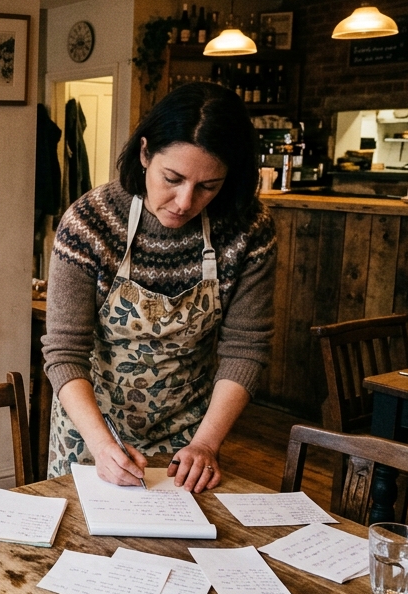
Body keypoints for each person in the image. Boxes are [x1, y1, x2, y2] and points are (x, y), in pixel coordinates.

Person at [42, 82, 276, 493]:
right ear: (145, 153)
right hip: (91, 433)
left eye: (208, 186)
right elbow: (64, 351)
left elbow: (246, 348)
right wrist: (101, 445)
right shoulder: (90, 223)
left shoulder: (248, 229)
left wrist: (205, 442)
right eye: (173, 178)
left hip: (190, 444)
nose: (185, 201)